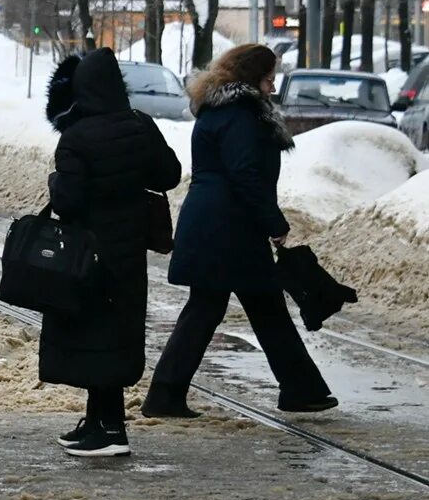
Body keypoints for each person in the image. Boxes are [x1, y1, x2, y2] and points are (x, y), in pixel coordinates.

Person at [143, 44, 336, 417]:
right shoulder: (241, 116)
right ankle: (298, 389)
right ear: (251, 78)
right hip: (228, 228)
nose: (272, 86)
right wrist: (274, 223)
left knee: (242, 308)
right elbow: (246, 175)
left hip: (219, 224)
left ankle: (300, 388)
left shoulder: (220, 111)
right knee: (234, 309)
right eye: (268, 78)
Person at [39, 49, 182, 458]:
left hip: (87, 255)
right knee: (115, 335)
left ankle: (111, 429)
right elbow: (168, 175)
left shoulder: (77, 136)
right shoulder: (140, 125)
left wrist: (56, 179)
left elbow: (68, 201)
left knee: (92, 336)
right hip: (129, 251)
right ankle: (99, 421)